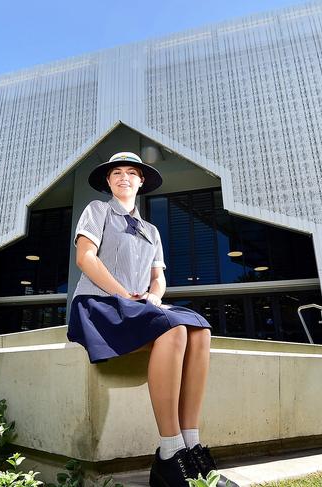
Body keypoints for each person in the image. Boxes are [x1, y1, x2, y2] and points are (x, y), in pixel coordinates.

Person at [68, 152, 238, 487]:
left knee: (199, 328)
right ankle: (169, 453)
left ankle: (191, 447)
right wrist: (122, 293)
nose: (124, 177)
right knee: (173, 329)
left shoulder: (151, 230)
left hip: (136, 307)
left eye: (132, 172)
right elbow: (85, 258)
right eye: (116, 172)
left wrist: (154, 297)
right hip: (99, 303)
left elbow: (157, 278)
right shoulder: (97, 211)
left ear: (141, 182)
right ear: (108, 181)